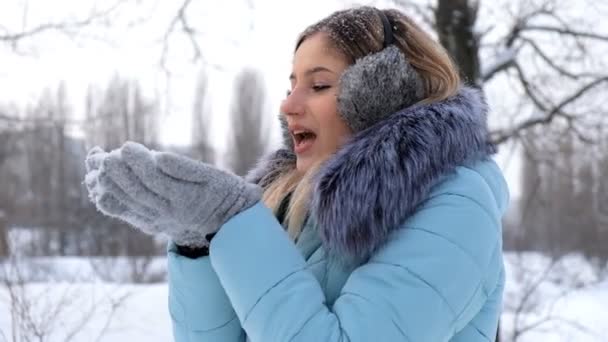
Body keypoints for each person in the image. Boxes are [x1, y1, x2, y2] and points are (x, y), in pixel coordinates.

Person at [84, 6, 509, 342]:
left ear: (382, 92)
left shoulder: (456, 204)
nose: (288, 105)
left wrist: (233, 221)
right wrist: (201, 242)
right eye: (292, 85)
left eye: (319, 85)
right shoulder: (295, 203)